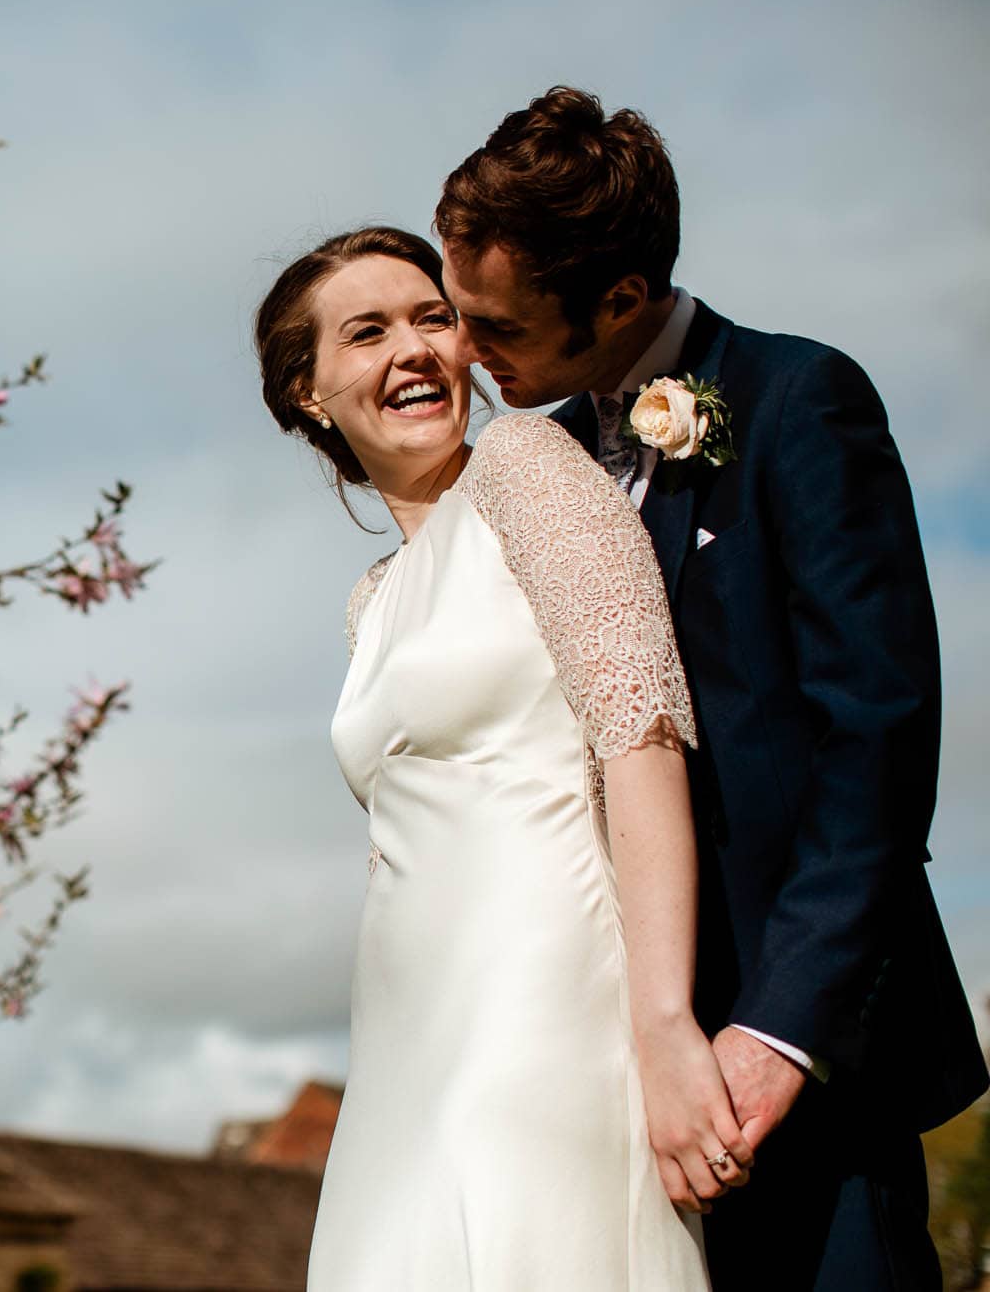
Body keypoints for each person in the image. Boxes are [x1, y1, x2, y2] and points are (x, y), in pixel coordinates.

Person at [435, 86, 987, 1291]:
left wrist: (778, 1032)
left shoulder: (797, 402)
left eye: (497, 325)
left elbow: (876, 741)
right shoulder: (535, 466)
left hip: (797, 1071)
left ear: (619, 299)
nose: (465, 352)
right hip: (602, 1083)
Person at [256, 226, 732, 1288]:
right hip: (403, 1039)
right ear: (307, 392)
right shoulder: (370, 602)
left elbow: (642, 734)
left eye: (434, 318)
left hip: (542, 1008)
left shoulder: (528, 466)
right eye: (367, 331)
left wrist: (664, 1025)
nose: (414, 348)